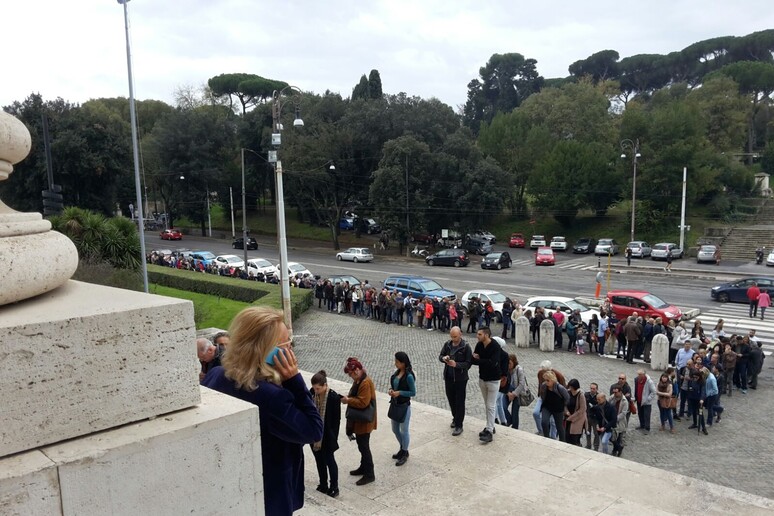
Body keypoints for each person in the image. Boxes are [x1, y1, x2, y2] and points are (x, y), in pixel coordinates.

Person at [201, 307, 323, 515]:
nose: (290, 348)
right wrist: (294, 380)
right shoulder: (272, 397)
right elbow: (314, 430)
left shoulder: (216, 375)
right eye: (286, 343)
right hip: (270, 496)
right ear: (268, 350)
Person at [341, 357, 377, 486]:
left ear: (356, 370)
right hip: (360, 420)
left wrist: (348, 400)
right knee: (362, 446)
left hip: (364, 422)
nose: (350, 376)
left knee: (364, 447)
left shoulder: (365, 383)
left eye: (350, 373)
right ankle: (363, 468)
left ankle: (369, 474)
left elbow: (363, 402)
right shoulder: (359, 380)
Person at [310, 370, 342, 498]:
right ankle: (323, 484)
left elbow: (336, 420)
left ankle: (334, 487)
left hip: (327, 435)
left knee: (330, 461)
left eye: (318, 388)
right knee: (319, 460)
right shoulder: (311, 393)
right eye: (314, 388)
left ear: (324, 385)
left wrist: (334, 437)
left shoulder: (333, 397)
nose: (316, 391)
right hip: (314, 434)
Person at [439, 327, 473, 436]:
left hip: (460, 379)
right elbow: (440, 356)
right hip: (448, 377)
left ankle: (459, 425)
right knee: (451, 399)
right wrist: (444, 358)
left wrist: (456, 365)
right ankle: (455, 418)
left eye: (455, 336)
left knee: (459, 401)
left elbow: (468, 363)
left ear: (460, 335)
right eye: (452, 336)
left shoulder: (465, 347)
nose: (453, 339)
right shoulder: (447, 344)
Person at [471, 327, 501, 443]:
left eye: (479, 334)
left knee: (490, 405)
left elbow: (493, 363)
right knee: (487, 404)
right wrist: (483, 361)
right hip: (482, 378)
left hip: (493, 380)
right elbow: (473, 360)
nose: (477, 336)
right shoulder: (479, 345)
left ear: (486, 335)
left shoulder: (495, 346)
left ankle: (489, 429)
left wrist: (480, 360)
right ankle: (490, 426)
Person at [387, 352, 416, 466]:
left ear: (403, 363)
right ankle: (403, 448)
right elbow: (394, 385)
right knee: (395, 429)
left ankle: (404, 451)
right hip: (395, 404)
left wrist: (400, 393)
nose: (395, 364)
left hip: (404, 406)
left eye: (397, 362)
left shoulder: (409, 376)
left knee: (404, 430)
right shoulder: (396, 373)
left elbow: (413, 392)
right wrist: (391, 390)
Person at [534, 361, 566, 438]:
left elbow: (564, 389)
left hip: (556, 400)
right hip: (544, 397)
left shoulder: (559, 376)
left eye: (545, 371)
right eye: (543, 371)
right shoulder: (540, 373)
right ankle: (541, 431)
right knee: (535, 412)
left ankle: (553, 437)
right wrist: (540, 393)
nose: (543, 373)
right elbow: (540, 384)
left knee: (553, 421)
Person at [539, 370, 570, 442]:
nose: (546, 382)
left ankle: (563, 441)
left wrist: (563, 406)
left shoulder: (560, 388)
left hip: (558, 409)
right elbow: (542, 395)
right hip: (547, 407)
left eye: (548, 380)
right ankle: (546, 438)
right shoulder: (544, 386)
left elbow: (567, 397)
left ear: (552, 380)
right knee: (544, 422)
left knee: (559, 426)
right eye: (545, 380)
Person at [505, 354, 527, 429]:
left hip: (518, 393)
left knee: (515, 412)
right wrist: (508, 393)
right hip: (508, 391)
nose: (508, 365)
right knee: (502, 406)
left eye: (510, 363)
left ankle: (515, 427)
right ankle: (509, 420)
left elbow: (521, 384)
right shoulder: (505, 369)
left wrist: (514, 394)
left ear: (514, 362)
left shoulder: (519, 370)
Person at [565, 379, 587, 446]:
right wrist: (566, 411)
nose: (570, 388)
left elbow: (582, 409)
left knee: (574, 438)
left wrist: (572, 417)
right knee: (566, 437)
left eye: (571, 387)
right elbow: (564, 404)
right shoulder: (568, 392)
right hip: (568, 417)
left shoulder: (580, 395)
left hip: (577, 419)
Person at [633, 369, 656, 434]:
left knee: (646, 415)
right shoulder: (637, 380)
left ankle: (647, 428)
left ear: (644, 375)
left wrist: (648, 399)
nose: (638, 376)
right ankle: (642, 425)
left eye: (640, 374)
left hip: (646, 402)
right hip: (639, 400)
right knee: (640, 413)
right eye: (638, 374)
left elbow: (654, 391)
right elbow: (636, 389)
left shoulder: (649, 382)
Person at [686, 367, 707, 435]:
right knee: (694, 412)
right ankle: (695, 423)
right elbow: (689, 388)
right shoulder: (691, 380)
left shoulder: (702, 382)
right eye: (694, 377)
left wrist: (701, 399)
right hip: (692, 398)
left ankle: (704, 428)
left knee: (701, 413)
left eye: (696, 377)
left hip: (699, 400)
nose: (695, 378)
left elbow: (703, 391)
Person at [610, 385, 630, 456]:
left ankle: (619, 449)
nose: (614, 394)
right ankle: (616, 448)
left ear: (620, 392)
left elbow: (624, 413)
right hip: (613, 421)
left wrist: (615, 419)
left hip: (620, 422)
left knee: (620, 438)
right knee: (612, 438)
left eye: (616, 392)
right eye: (614, 392)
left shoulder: (625, 401)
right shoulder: (612, 398)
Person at [584, 383, 600, 450]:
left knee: (596, 433)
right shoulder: (586, 395)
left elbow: (600, 407)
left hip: (595, 418)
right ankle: (588, 445)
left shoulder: (599, 396)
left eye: (594, 389)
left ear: (597, 389)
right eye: (591, 388)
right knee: (587, 432)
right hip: (587, 416)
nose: (592, 390)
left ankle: (596, 447)